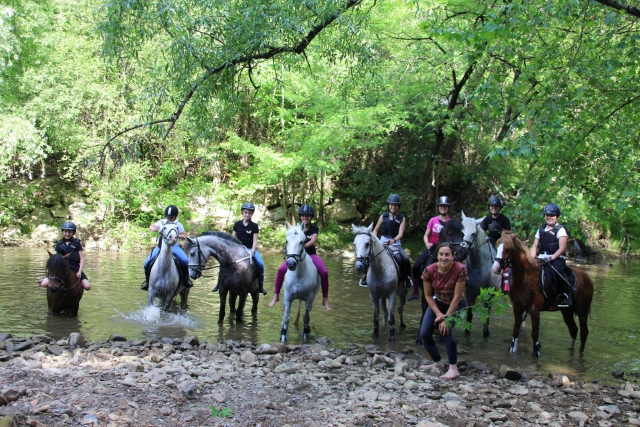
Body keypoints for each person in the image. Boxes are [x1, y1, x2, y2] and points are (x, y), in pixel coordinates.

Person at [418, 242, 467, 379]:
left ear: (453, 256)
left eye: (447, 255)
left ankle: (453, 368)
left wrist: (446, 318)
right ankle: (437, 362)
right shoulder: (429, 271)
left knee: (445, 330)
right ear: (437, 256)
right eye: (441, 254)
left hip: (457, 304)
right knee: (424, 333)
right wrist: (439, 313)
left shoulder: (460, 269)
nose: (444, 257)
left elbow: (457, 297)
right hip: (438, 303)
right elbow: (428, 295)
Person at [269, 204, 331, 310]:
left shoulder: (314, 229)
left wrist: (301, 247)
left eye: (307, 216)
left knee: (324, 272)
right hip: (295, 256)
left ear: (311, 217)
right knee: (280, 269)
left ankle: (325, 299)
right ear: (300, 216)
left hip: (311, 255)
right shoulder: (296, 229)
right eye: (303, 215)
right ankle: (276, 295)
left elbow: (312, 241)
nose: (305, 217)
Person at [212, 202, 267, 295]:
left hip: (250, 249)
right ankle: (219, 284)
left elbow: (255, 240)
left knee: (260, 264)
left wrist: (253, 251)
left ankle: (260, 286)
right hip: (238, 249)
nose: (247, 215)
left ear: (252, 214)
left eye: (249, 213)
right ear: (242, 212)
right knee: (224, 262)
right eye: (246, 212)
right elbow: (232, 239)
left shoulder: (254, 226)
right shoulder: (237, 224)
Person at [359, 194, 412, 289]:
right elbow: (375, 230)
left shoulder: (402, 218)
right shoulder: (383, 216)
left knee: (405, 258)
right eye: (391, 205)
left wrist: (394, 240)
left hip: (395, 243)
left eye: (395, 205)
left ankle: (407, 278)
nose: (393, 207)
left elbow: (400, 234)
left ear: (398, 206)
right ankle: (366, 277)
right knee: (370, 257)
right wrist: (376, 240)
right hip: (382, 241)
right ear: (389, 205)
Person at [408, 196, 452, 301]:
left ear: (448, 208)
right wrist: (427, 243)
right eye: (441, 206)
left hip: (444, 250)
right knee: (416, 266)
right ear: (438, 207)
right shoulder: (433, 220)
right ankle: (415, 292)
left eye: (445, 206)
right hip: (432, 248)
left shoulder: (451, 222)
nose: (443, 208)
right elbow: (426, 235)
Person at [530, 203, 572, 308]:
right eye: (547, 215)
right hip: (541, 257)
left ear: (556, 216)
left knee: (557, 272)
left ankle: (566, 295)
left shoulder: (560, 230)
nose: (549, 217)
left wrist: (551, 258)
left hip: (556, 258)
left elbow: (562, 248)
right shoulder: (540, 229)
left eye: (551, 215)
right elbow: (535, 246)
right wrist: (531, 259)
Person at [141, 205, 192, 290]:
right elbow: (152, 226)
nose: (169, 219)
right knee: (146, 262)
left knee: (186, 261)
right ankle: (147, 281)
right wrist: (154, 228)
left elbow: (184, 235)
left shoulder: (178, 225)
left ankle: (186, 280)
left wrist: (176, 235)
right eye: (168, 217)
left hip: (174, 247)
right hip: (160, 247)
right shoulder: (162, 222)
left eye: (171, 217)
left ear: (175, 217)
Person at [37, 221, 92, 291]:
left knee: (87, 286)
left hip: (75, 267)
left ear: (73, 233)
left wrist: (79, 271)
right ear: (63, 232)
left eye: (69, 232)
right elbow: (57, 258)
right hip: (62, 268)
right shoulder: (59, 243)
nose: (67, 234)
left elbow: (82, 258)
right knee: (44, 284)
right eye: (65, 232)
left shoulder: (77, 243)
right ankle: (46, 281)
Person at [480, 195, 512, 291]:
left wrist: (501, 229)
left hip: (500, 242)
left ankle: (505, 280)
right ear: (489, 207)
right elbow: (482, 231)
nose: (494, 208)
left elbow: (509, 232)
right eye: (492, 206)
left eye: (496, 206)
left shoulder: (504, 219)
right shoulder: (487, 219)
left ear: (499, 208)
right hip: (490, 241)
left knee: (503, 257)